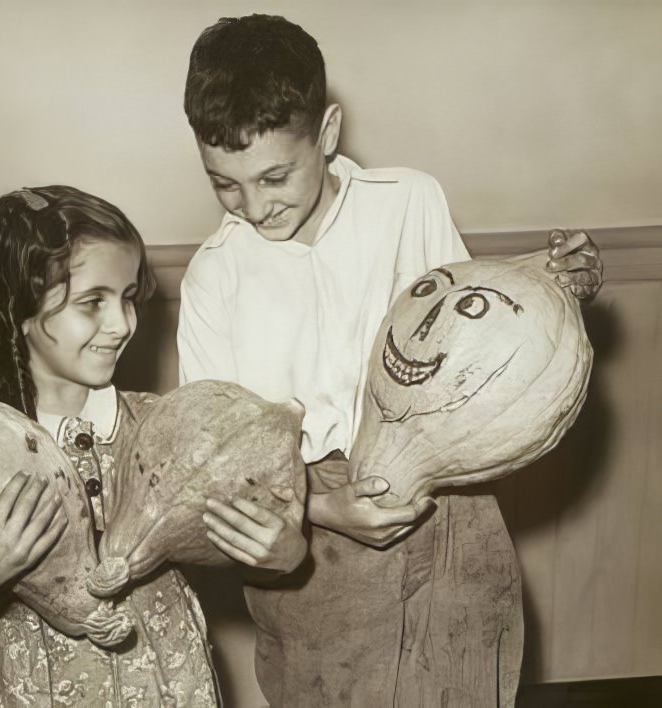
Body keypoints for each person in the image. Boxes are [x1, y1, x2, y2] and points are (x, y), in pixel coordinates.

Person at [178, 14, 602, 707]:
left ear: (328, 132)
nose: (254, 206)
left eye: (275, 176)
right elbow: (218, 467)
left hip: (452, 512)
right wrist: (326, 505)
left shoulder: (410, 200)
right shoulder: (212, 280)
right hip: (311, 535)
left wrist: (559, 280)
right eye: (225, 183)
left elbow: (476, 334)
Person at [0, 186, 219, 707]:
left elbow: (219, 540)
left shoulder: (160, 426)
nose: (122, 323)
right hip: (40, 692)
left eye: (129, 297)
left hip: (172, 687)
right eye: (92, 303)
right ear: (18, 310)